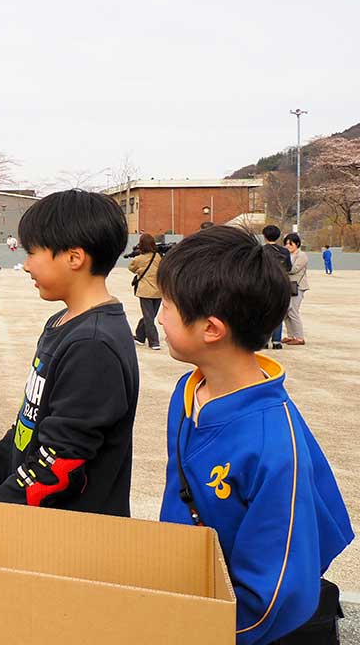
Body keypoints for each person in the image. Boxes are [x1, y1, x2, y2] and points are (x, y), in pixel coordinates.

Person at [156, 226, 352, 645]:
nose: (158, 316)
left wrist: (200, 630)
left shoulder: (273, 445)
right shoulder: (188, 391)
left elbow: (276, 594)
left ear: (211, 329)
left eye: (168, 306)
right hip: (192, 594)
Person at [0, 190, 139, 516]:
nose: (25, 266)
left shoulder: (92, 345)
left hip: (68, 532)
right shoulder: (63, 323)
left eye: (33, 253)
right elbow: (31, 420)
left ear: (74, 258)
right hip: (39, 516)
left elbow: (62, 460)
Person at [129, 233, 163, 350]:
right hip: (158, 292)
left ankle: (154, 342)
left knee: (149, 317)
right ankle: (140, 337)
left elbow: (131, 268)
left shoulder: (139, 259)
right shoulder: (158, 257)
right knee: (150, 316)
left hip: (145, 292)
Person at [261, 225, 291, 350]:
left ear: (264, 236)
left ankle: (264, 341)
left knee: (264, 313)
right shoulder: (284, 251)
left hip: (264, 285)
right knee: (278, 313)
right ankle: (277, 341)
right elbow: (288, 268)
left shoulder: (260, 250)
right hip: (280, 284)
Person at [283, 233, 309, 347]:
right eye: (286, 243)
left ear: (297, 244)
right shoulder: (287, 255)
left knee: (293, 311)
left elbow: (294, 269)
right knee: (287, 312)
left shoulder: (301, 255)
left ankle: (299, 337)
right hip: (289, 286)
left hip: (298, 287)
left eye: (290, 243)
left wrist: (280, 267)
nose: (288, 246)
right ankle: (291, 336)